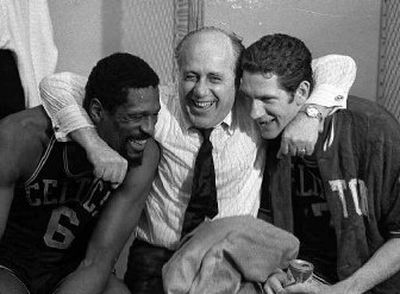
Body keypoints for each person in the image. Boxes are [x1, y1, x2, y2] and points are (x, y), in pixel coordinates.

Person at [39, 26, 356, 293]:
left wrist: (310, 115)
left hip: (231, 258)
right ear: (177, 74)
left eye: (215, 78)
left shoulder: (254, 110)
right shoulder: (158, 107)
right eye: (191, 76)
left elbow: (340, 65)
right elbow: (56, 85)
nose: (200, 91)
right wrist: (94, 144)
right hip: (156, 259)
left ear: (237, 79)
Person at [240, 33, 400, 293]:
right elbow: (267, 221)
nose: (254, 113)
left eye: (268, 100)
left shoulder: (375, 131)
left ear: (303, 92)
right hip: (301, 278)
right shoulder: (264, 136)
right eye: (248, 98)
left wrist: (344, 290)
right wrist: (271, 272)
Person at [0, 52, 161, 294]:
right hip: (11, 268)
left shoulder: (143, 155)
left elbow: (98, 261)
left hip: (74, 270)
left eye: (154, 115)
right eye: (135, 117)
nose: (148, 128)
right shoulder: (21, 136)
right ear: (97, 111)